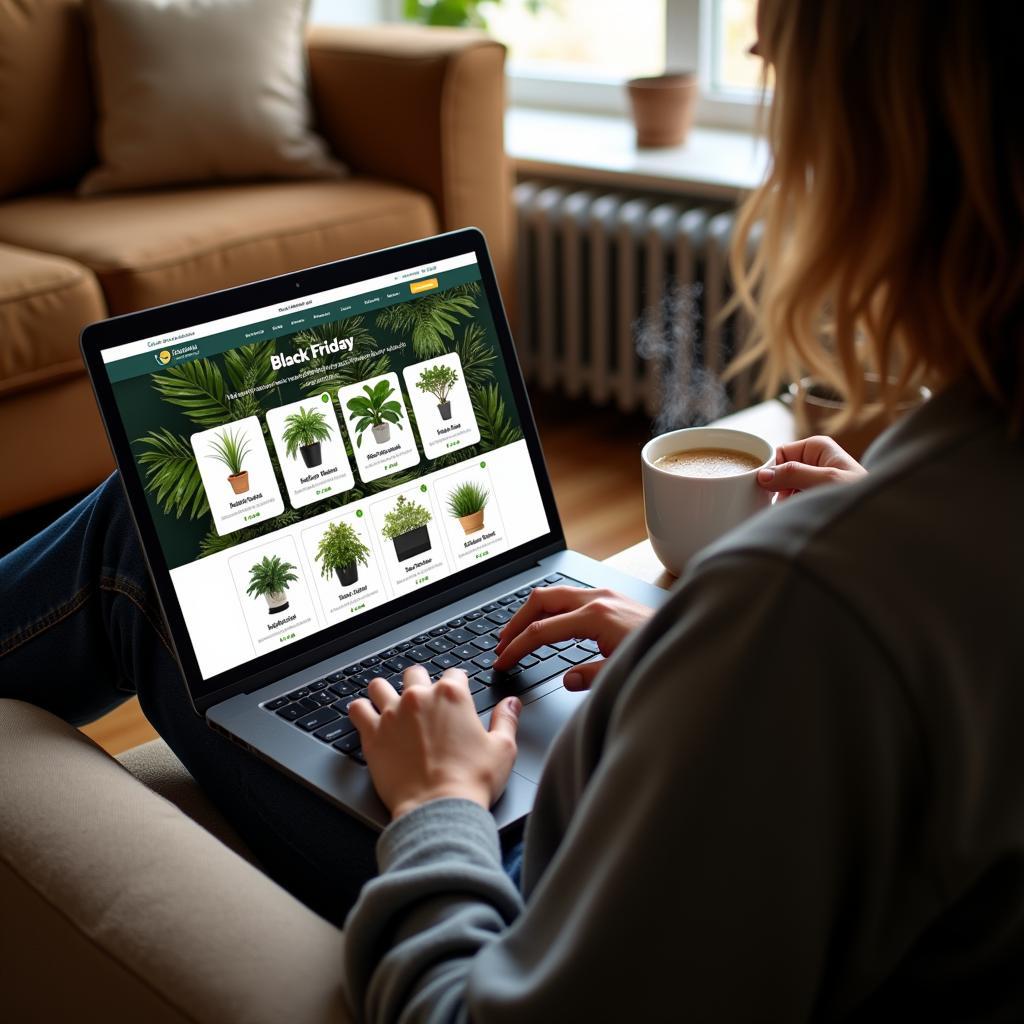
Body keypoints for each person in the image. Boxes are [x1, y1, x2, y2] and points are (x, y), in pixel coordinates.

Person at [2, 0, 1023, 1018]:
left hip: (522, 878)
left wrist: (437, 802)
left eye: (773, 72)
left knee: (138, 531)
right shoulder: (932, 540)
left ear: (881, 144)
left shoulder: (821, 603)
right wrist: (701, 642)